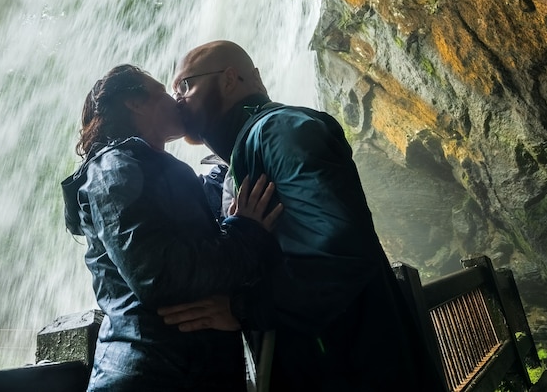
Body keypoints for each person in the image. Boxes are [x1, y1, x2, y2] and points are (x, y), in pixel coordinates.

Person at [164, 41, 447, 392]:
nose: (176, 99)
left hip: (353, 370)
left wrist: (242, 308)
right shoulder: (235, 162)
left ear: (229, 79)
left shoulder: (282, 131)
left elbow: (339, 251)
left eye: (184, 85)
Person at [61, 64, 283, 392]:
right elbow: (158, 275)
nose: (176, 99)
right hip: (150, 375)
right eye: (164, 91)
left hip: (177, 372)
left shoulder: (145, 170)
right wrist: (246, 233)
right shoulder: (113, 169)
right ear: (135, 102)